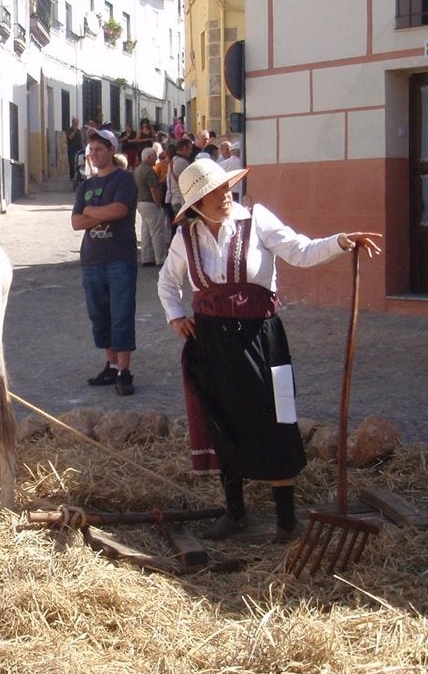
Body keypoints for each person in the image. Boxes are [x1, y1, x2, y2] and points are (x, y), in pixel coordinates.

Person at [157, 159, 382, 541]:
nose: (224, 195)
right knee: (223, 422)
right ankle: (235, 513)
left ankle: (286, 520)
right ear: (196, 204)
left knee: (278, 419)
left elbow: (300, 250)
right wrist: (176, 316)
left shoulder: (256, 219)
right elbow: (167, 282)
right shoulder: (186, 238)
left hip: (262, 339)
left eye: (225, 187)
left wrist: (341, 241)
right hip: (211, 345)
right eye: (212, 193)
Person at [71, 128, 138, 396]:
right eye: (91, 149)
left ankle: (124, 372)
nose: (94, 154)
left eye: (99, 149)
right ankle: (111, 365)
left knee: (121, 315)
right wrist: (101, 213)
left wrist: (90, 211)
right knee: (99, 317)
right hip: (92, 260)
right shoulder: (86, 186)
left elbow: (119, 210)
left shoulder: (124, 180)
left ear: (112, 150)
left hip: (120, 258)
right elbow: (76, 222)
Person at [134, 146, 169, 266]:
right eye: (154, 157)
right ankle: (160, 258)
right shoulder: (149, 171)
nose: (156, 159)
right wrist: (158, 202)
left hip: (141, 202)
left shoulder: (138, 169)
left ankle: (146, 257)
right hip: (150, 202)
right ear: (148, 157)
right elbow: (153, 189)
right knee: (157, 232)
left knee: (146, 231)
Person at [64, 119, 83, 185]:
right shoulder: (69, 130)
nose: (77, 124)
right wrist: (74, 131)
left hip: (78, 147)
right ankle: (72, 176)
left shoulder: (79, 131)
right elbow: (70, 137)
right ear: (72, 123)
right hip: (71, 147)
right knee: (71, 161)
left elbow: (80, 141)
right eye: (76, 122)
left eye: (77, 122)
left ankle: (79, 175)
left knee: (80, 161)